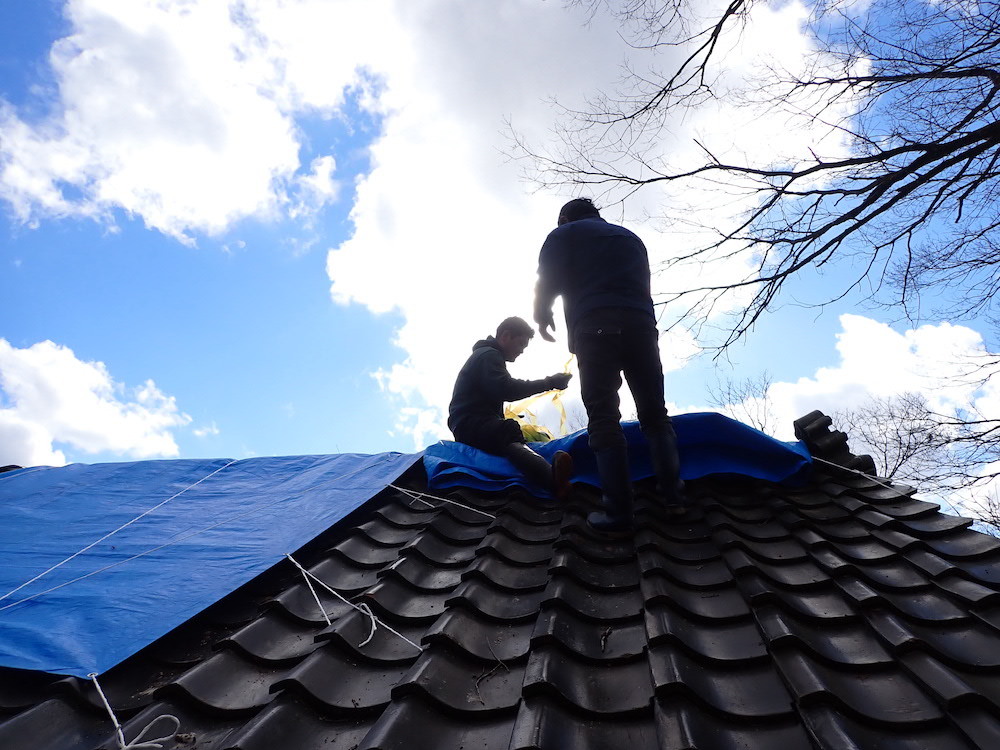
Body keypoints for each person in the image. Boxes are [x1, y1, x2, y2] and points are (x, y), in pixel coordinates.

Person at [534, 197, 687, 534]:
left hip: (595, 327)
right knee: (654, 415)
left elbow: (548, 279)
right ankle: (674, 499)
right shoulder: (629, 237)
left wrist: (542, 315)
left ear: (564, 218)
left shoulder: (564, 234)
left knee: (603, 416)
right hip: (642, 328)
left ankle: (619, 511)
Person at [448, 316, 574, 500]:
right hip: (469, 424)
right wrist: (550, 382)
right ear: (506, 336)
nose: (521, 351)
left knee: (508, 431)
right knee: (507, 429)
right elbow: (506, 388)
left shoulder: (486, 356)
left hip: (469, 423)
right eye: (521, 344)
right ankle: (553, 480)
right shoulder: (489, 355)